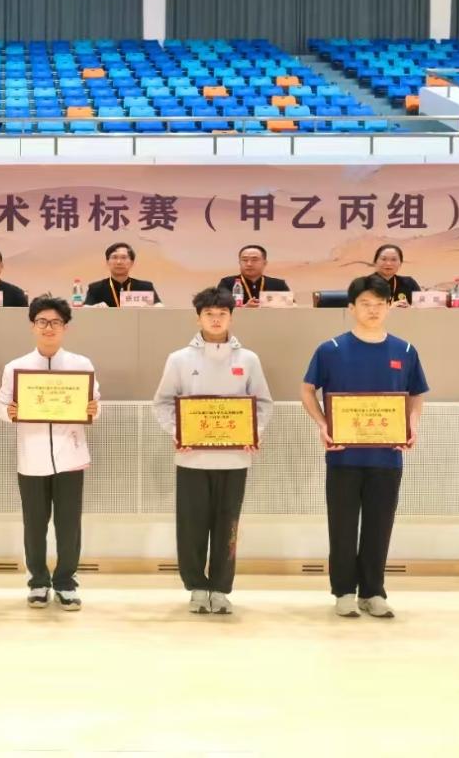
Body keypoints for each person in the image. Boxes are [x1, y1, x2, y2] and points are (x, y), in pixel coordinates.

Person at [300, 276, 428, 619]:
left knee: (379, 525)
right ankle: (343, 591)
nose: (373, 310)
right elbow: (307, 390)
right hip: (343, 455)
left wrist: (412, 425)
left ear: (390, 307)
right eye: (365, 304)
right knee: (342, 526)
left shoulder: (405, 350)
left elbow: (416, 393)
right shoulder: (331, 349)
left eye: (380, 304)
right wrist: (323, 424)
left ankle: (372, 592)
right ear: (351, 308)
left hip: (387, 456)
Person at [152, 288, 273, 615]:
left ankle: (220, 588)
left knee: (227, 525)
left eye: (222, 314)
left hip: (235, 459)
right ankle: (196, 587)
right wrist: (178, 432)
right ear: (198, 318)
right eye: (209, 314)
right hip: (192, 458)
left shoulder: (248, 359)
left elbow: (263, 403)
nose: (216, 319)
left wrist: (253, 432)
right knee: (191, 526)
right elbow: (162, 403)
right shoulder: (179, 359)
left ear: (231, 317)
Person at [0, 295, 99, 610]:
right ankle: (38, 582)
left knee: (69, 525)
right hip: (32, 458)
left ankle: (66, 583)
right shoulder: (16, 367)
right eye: (42, 321)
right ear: (33, 326)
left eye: (55, 322)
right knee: (34, 525)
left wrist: (93, 409)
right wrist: (10, 412)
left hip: (70, 458)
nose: (48, 327)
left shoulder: (81, 365)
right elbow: (1, 407)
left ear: (65, 327)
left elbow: (95, 405)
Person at [84, 242, 163, 307]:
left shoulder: (145, 287)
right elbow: (85, 310)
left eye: (124, 257)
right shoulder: (95, 288)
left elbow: (159, 307)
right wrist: (95, 308)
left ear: (132, 263)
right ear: (107, 262)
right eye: (114, 257)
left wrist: (153, 307)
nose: (119, 262)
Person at [216, 245, 290, 307]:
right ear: (239, 262)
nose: (249, 264)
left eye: (254, 260)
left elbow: (291, 308)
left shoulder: (278, 284)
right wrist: (244, 308)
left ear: (265, 263)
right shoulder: (227, 283)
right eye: (245, 260)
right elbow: (218, 307)